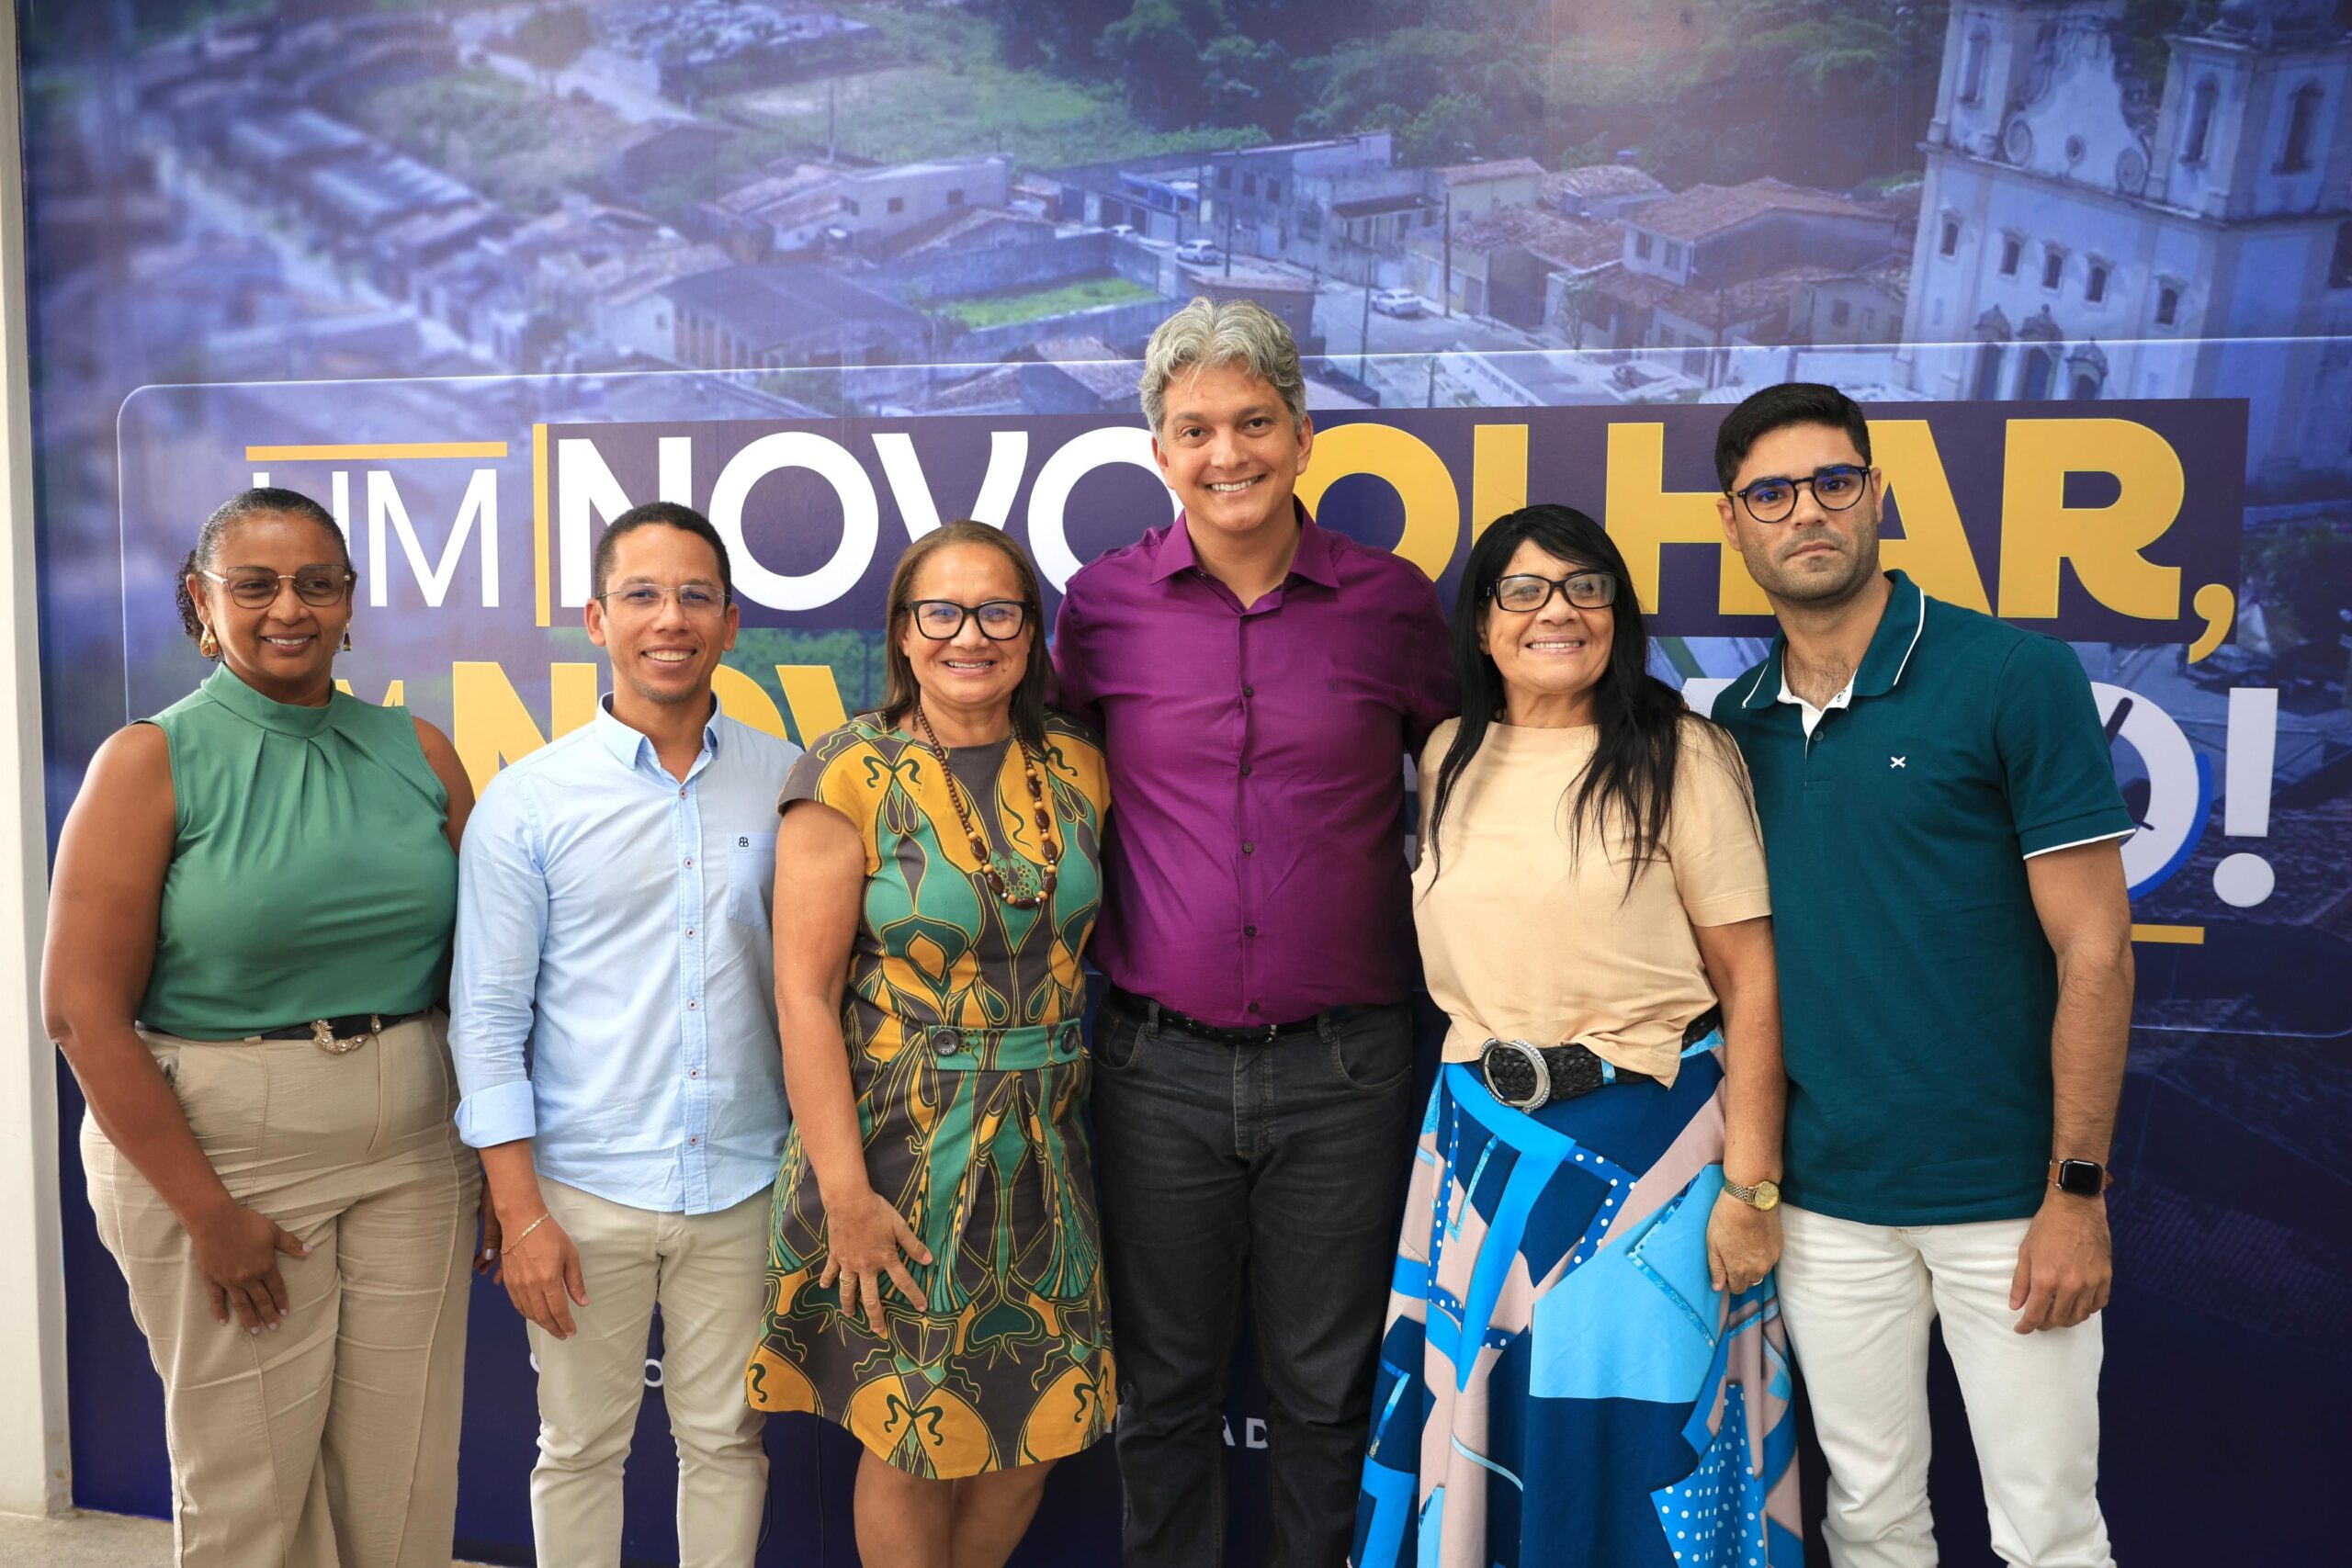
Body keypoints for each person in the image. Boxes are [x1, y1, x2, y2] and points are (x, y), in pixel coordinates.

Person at [1053, 297, 1455, 1566]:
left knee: (1326, 1395)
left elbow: (1468, 792)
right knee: (1163, 1392)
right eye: (1194, 429)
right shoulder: (1099, 608)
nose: (1227, 452)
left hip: (1347, 1065)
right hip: (1152, 1064)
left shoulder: (1391, 605)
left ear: (1302, 431)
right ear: (1159, 451)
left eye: (1253, 422)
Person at [1710, 383, 2134, 1568]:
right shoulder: (1731, 726)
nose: (1808, 512)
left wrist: (2076, 1192)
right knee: (1871, 1521)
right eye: (1772, 493)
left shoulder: (2012, 676)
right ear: (1734, 523)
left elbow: (2095, 948)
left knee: (2049, 1530)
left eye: (1833, 482)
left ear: (1876, 495)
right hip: (1826, 1205)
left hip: (2011, 1203)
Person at [1353, 503, 1803, 1567]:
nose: (1555, 611)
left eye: (1583, 588)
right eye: (1523, 589)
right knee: (1490, 1439)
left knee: (1629, 1452)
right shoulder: (1451, 751)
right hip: (1477, 1154)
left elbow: (1750, 981)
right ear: (1480, 622)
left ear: (1617, 614)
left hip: (1647, 1160)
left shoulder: (1678, 753)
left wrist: (1751, 1189)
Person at [44, 486, 484, 1567]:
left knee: (404, 1483)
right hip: (223, 1160)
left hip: (417, 1151)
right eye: (255, 585)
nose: (289, 607)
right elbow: (80, 1013)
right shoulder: (150, 760)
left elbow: (487, 975)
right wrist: (207, 1215)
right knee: (253, 1498)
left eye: (316, 584)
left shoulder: (418, 750)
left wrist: (496, 1164)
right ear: (203, 604)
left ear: (349, 606)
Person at [748, 520, 1114, 1568]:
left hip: (1048, 1144)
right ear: (904, 635)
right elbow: (803, 996)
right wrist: (845, 1196)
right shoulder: (847, 772)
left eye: (998, 611)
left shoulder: (1079, 762)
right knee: (914, 1435)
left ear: (1030, 631)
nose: (970, 636)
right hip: (899, 1148)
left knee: (1038, 1431)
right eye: (940, 613)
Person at [449, 502, 798, 1568]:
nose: (670, 619)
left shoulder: (793, 781)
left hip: (743, 1184)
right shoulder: (528, 802)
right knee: (578, 1448)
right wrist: (520, 1213)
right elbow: (488, 1019)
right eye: (642, 595)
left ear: (731, 623)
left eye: (695, 596)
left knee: (728, 1444)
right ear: (598, 619)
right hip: (580, 1197)